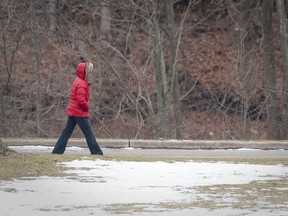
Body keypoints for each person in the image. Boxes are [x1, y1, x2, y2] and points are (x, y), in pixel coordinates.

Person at [52, 62, 103, 155]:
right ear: (85, 72)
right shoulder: (82, 83)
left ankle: (57, 151)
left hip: (73, 111)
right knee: (88, 133)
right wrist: (87, 107)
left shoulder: (78, 80)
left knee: (66, 132)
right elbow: (81, 99)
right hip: (79, 112)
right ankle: (97, 152)